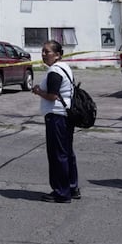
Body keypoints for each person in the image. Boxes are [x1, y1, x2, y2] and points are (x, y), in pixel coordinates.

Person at [31, 40, 80, 203]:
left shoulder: (55, 71)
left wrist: (38, 91)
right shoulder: (65, 68)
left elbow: (52, 96)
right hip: (65, 115)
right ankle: (72, 187)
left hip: (57, 116)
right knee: (66, 152)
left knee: (58, 154)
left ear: (58, 54)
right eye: (42, 52)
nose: (44, 55)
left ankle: (61, 191)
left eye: (47, 52)